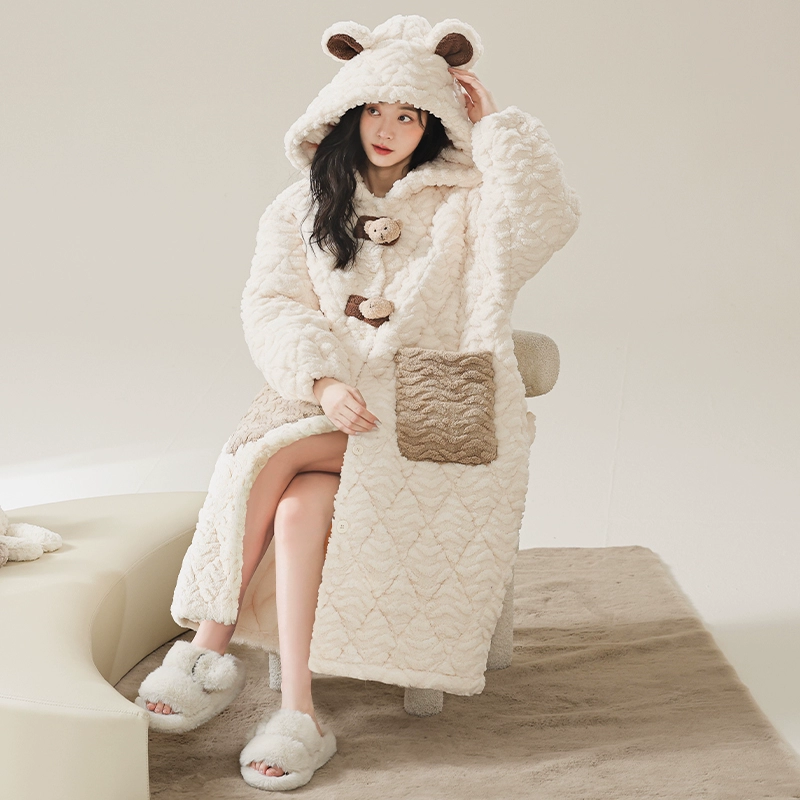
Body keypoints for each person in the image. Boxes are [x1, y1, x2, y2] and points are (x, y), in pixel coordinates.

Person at [136, 14, 580, 792]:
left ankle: (207, 648)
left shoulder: (471, 201)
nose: (388, 129)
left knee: (268, 458)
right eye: (376, 109)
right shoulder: (301, 205)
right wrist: (322, 382)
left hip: (435, 406)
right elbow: (272, 304)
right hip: (328, 403)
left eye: (410, 114)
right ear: (347, 110)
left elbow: (547, 221)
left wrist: (495, 125)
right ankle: (300, 713)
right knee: (298, 506)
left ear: (434, 123)